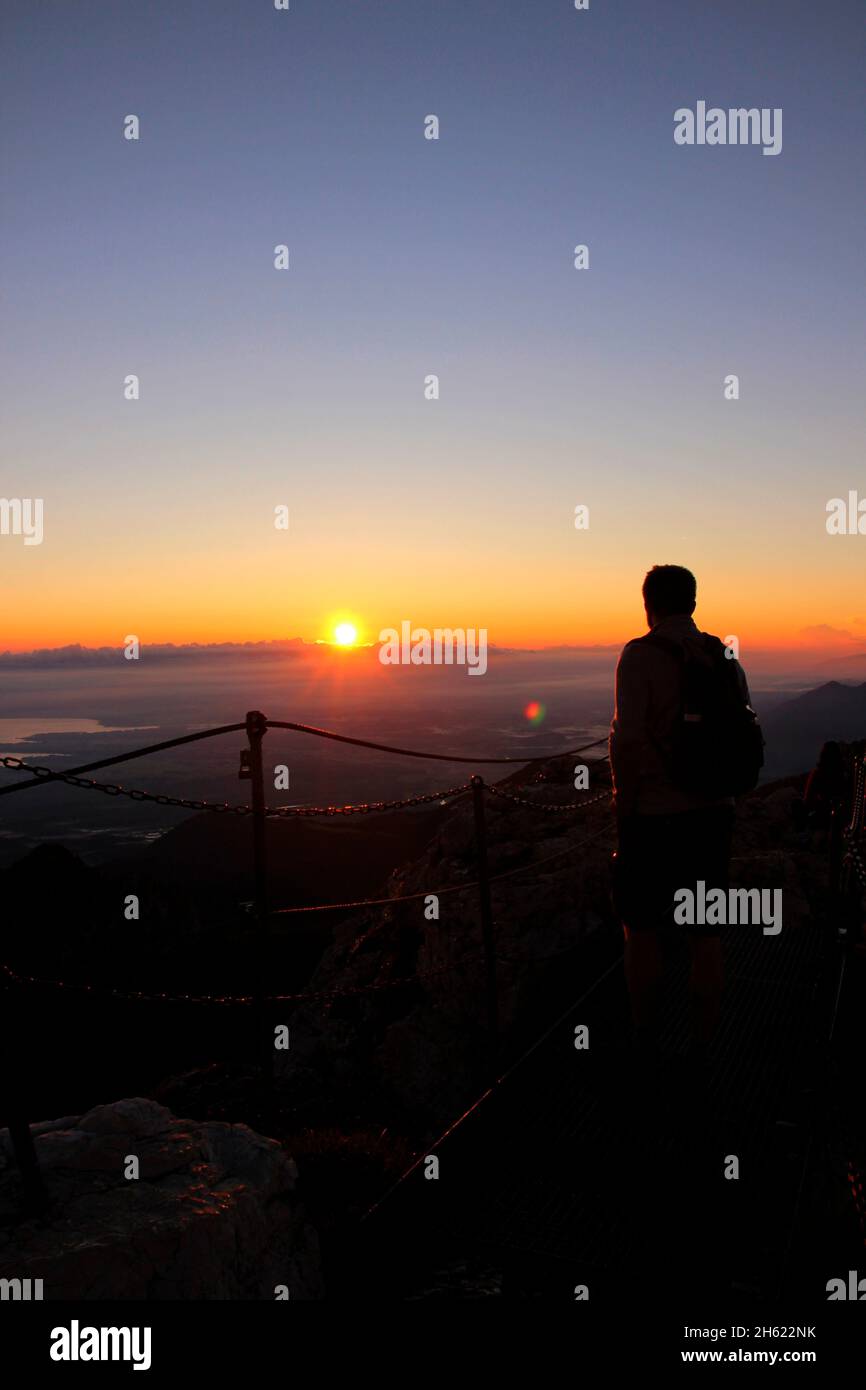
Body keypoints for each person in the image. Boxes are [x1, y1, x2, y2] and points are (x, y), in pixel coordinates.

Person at [609, 565, 752, 1062]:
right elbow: (742, 731)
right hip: (713, 815)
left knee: (643, 929)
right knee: (705, 934)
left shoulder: (638, 656)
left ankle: (645, 1040)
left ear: (648, 604)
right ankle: (704, 1047)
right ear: (692, 603)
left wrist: (624, 808)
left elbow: (627, 742)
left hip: (653, 817)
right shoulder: (724, 655)